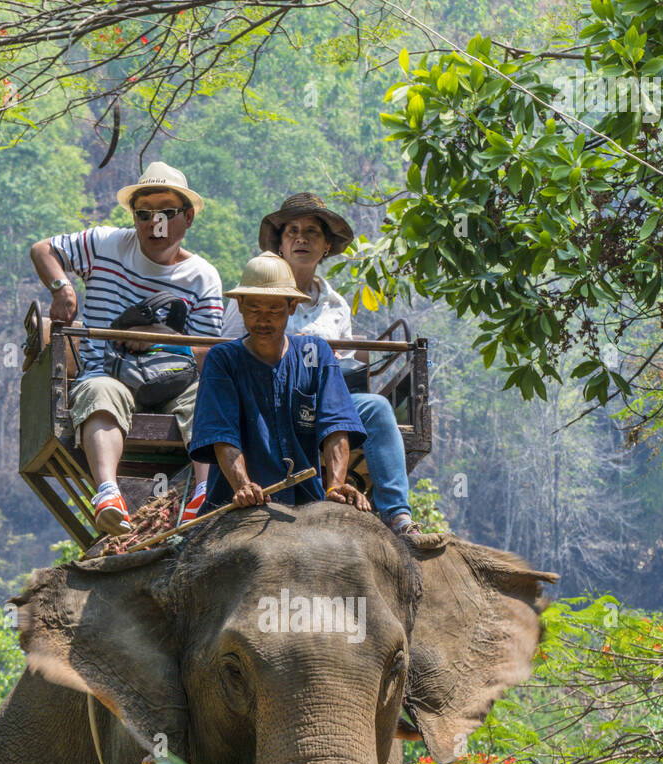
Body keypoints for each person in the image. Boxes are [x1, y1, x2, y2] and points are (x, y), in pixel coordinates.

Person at [30, 162, 222, 536]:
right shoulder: (106, 245)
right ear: (134, 217)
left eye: (166, 213)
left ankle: (204, 492)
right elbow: (43, 249)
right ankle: (108, 493)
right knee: (99, 390)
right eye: (144, 213)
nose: (155, 224)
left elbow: (208, 351)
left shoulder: (202, 276)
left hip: (175, 380)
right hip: (109, 372)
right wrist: (62, 288)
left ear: (187, 219)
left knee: (209, 396)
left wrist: (158, 336)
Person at [221, 192, 420, 540]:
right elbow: (230, 353)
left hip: (319, 405)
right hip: (264, 402)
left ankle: (397, 515)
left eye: (311, 232)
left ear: (326, 245)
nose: (301, 238)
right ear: (280, 244)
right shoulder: (254, 293)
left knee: (376, 407)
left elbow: (340, 369)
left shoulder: (336, 305)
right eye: (292, 231)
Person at [189, 253, 372, 518]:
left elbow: (336, 425)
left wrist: (334, 486)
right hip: (234, 505)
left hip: (306, 503)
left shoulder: (316, 353)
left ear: (292, 306)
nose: (264, 319)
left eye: (274, 309)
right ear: (239, 305)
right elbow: (221, 434)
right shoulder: (223, 359)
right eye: (254, 309)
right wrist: (243, 486)